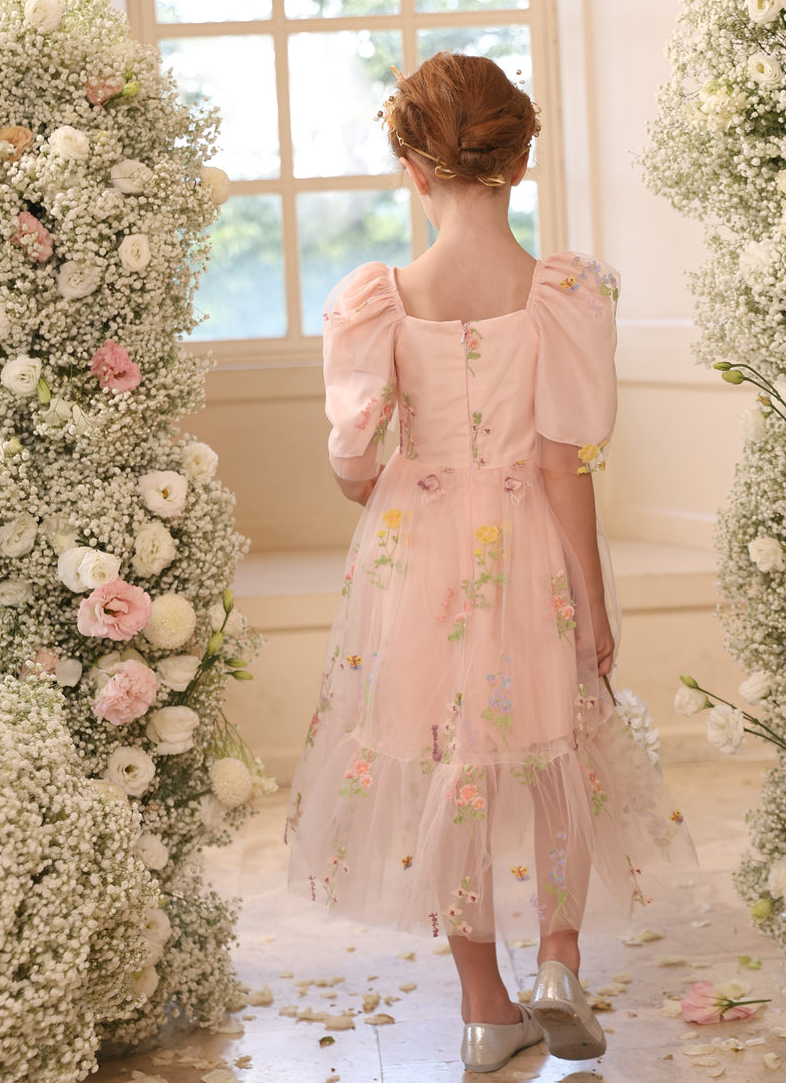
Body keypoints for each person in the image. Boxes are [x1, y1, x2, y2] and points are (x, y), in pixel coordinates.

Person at [284, 53, 696, 1073]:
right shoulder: (563, 294)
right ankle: (559, 961)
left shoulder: (379, 300)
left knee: (445, 764)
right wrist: (592, 603)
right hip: (531, 545)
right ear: (518, 162)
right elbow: (564, 463)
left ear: (412, 168)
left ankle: (484, 1010)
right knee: (559, 750)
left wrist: (393, 479)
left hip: (417, 555)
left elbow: (352, 463)